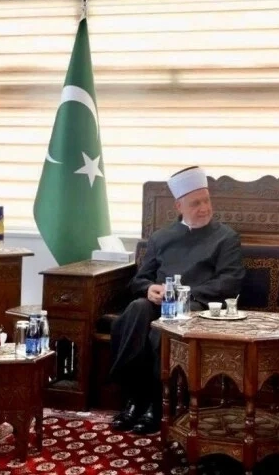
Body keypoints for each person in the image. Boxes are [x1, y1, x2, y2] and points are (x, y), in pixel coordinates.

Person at [109, 166, 246, 435]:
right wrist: (149, 289)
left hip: (196, 305)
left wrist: (184, 293)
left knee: (167, 325)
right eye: (196, 203)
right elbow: (139, 279)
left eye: (206, 201)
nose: (204, 208)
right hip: (158, 304)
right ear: (179, 206)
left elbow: (230, 282)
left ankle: (157, 404)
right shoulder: (161, 237)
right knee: (136, 309)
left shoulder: (226, 237)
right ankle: (134, 399)